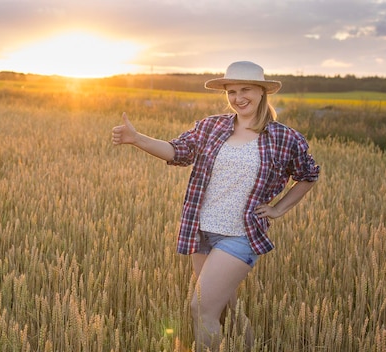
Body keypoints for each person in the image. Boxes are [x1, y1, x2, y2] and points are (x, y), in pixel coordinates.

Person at [111, 61, 320, 351]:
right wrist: (137, 139)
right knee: (228, 310)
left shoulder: (285, 137)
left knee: (201, 309)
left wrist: (278, 208)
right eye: (231, 91)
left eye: (245, 89)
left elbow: (308, 176)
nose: (238, 97)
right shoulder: (212, 126)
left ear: (262, 92)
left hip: (240, 235)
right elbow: (177, 151)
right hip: (201, 233)